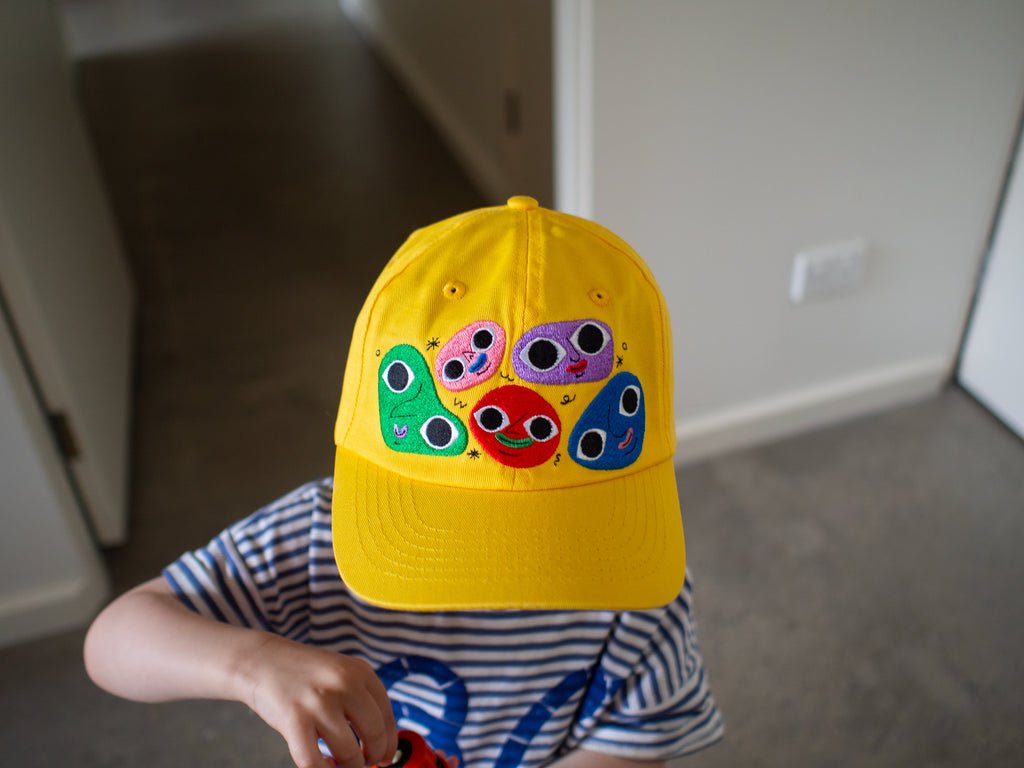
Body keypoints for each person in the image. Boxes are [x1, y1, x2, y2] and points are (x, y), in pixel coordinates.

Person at [84, 197, 724, 768]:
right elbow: (115, 637)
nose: (501, 578)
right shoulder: (315, 538)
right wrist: (251, 665)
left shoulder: (641, 588)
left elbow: (629, 749)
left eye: (556, 530)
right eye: (452, 524)